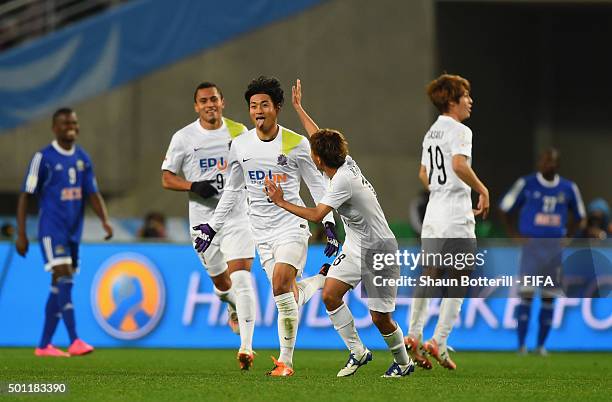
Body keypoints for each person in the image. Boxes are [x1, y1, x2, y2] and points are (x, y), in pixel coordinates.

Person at [263, 79, 415, 378]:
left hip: (380, 249)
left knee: (380, 317)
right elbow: (318, 137)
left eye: (313, 154)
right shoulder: (345, 163)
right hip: (357, 245)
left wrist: (280, 201)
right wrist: (298, 107)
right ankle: (358, 352)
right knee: (330, 295)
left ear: (318, 160)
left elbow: (318, 215)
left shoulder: (341, 181)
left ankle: (403, 361)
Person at [192, 76, 340, 377]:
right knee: (287, 292)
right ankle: (317, 283)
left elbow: (316, 186)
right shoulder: (240, 145)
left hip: (292, 226)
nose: (258, 110)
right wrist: (212, 227)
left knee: (280, 284)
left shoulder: (297, 145)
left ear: (277, 108)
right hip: (260, 232)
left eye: (264, 105)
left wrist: (328, 223)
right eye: (253, 106)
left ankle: (286, 362)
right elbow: (233, 190)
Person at [161, 82, 257, 370]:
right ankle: (230, 305)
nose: (209, 104)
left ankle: (247, 347)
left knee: (241, 280)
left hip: (238, 215)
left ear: (223, 102)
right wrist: (193, 185)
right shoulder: (184, 137)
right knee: (222, 283)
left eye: (214, 99)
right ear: (196, 106)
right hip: (202, 221)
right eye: (203, 101)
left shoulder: (240, 132)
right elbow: (166, 177)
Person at [405, 74, 490, 370]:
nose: (470, 101)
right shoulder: (460, 130)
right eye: (466, 95)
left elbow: (422, 174)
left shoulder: (432, 132)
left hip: (434, 211)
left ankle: (414, 335)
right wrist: (481, 189)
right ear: (452, 100)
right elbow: (458, 164)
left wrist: (439, 191)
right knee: (459, 276)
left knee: (429, 271)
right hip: (455, 212)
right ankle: (439, 341)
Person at [16, 107, 113, 357]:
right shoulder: (43, 158)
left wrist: (104, 221)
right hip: (51, 230)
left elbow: (93, 193)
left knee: (58, 286)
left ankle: (44, 345)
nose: (71, 127)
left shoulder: (82, 158)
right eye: (65, 123)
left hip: (73, 233)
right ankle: (74, 340)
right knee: (65, 277)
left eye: (74, 123)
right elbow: (26, 195)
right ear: (54, 128)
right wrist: (22, 233)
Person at [500, 148, 586, 355]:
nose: (549, 164)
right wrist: (514, 234)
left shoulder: (568, 188)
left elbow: (581, 216)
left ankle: (540, 346)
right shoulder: (526, 184)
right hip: (531, 250)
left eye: (553, 161)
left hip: (554, 251)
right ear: (539, 163)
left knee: (549, 297)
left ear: (557, 165)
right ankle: (521, 345)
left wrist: (568, 237)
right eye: (545, 161)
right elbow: (505, 207)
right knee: (526, 295)